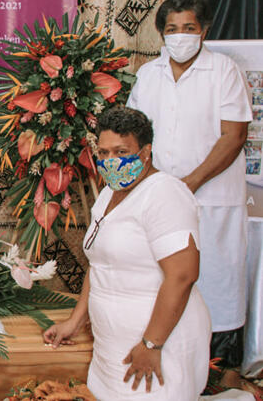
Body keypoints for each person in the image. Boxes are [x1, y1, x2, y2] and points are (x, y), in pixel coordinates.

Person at [44, 106, 211, 399]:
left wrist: (151, 345)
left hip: (157, 347)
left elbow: (183, 275)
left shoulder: (166, 193)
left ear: (146, 152)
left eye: (121, 151)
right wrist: (75, 321)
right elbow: (99, 265)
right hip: (111, 350)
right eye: (104, 153)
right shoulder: (109, 192)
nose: (111, 161)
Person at [127, 0, 251, 366]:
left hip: (212, 198)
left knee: (215, 278)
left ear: (204, 30)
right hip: (158, 198)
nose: (180, 36)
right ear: (161, 34)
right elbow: (132, 136)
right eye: (172, 29)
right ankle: (168, 355)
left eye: (189, 28)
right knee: (163, 278)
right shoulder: (148, 74)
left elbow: (234, 136)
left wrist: (190, 182)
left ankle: (218, 366)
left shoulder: (225, 71)